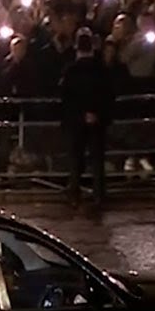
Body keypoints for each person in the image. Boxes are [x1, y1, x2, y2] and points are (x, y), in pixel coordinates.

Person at [60, 29, 115, 207]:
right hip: (97, 121)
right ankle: (99, 194)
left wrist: (81, 114)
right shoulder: (102, 70)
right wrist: (95, 113)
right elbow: (108, 95)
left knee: (76, 159)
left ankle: (74, 194)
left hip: (75, 121)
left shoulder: (70, 71)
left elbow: (67, 98)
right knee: (97, 159)